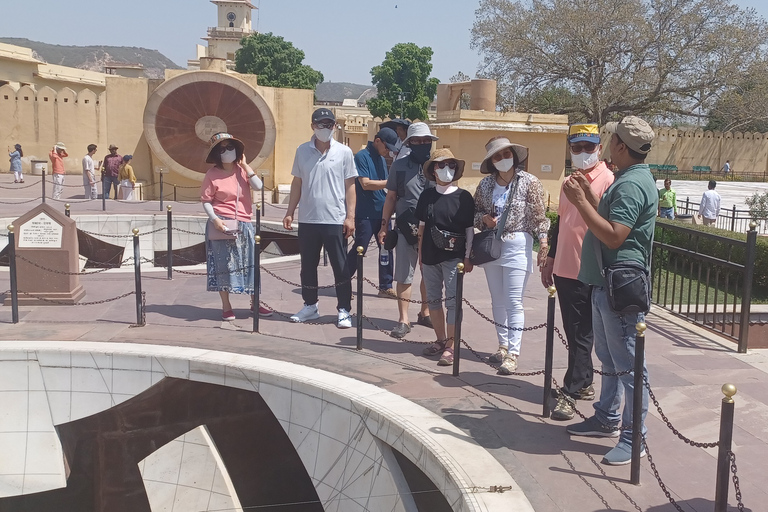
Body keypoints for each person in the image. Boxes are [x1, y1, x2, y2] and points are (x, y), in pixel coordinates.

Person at [563, 115, 657, 466]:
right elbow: (612, 218)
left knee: (629, 367)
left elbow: (615, 235)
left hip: (620, 287)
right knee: (612, 359)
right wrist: (588, 193)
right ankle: (607, 417)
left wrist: (581, 202)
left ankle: (634, 438)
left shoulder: (632, 184)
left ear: (620, 145)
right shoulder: (627, 179)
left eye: (611, 139)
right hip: (607, 283)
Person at [541, 124, 615, 420]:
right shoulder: (570, 180)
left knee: (583, 333)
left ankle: (572, 390)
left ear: (599, 148)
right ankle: (582, 382)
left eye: (588, 147)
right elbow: (562, 222)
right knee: (574, 332)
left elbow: (608, 222)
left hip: (589, 269)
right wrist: (551, 258)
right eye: (577, 148)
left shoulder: (606, 180)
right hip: (566, 267)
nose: (583, 153)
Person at [473, 137, 550, 374]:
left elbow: (539, 216)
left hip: (517, 243)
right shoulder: (485, 185)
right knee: (497, 300)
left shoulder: (529, 182)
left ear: (514, 157)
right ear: (491, 161)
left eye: (507, 154)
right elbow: (474, 213)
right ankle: (503, 345)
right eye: (498, 156)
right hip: (492, 245)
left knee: (514, 301)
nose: (504, 159)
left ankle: (514, 352)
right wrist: (483, 220)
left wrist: (544, 242)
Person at [283, 108, 357, 328]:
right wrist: (290, 211)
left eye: (329, 124)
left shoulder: (344, 152)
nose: (325, 128)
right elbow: (297, 183)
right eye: (320, 124)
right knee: (308, 266)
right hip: (308, 219)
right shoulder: (302, 151)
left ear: (335, 126)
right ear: (312, 126)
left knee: (340, 267)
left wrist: (350, 216)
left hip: (334, 218)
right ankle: (310, 306)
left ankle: (344, 309)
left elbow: (350, 186)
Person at [201, 132, 271, 320]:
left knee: (250, 264)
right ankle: (226, 306)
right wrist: (215, 219)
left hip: (244, 223)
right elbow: (206, 200)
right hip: (222, 223)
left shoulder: (241, 171)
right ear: (217, 153)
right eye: (222, 149)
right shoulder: (212, 174)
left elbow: (258, 186)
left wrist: (246, 165)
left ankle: (255, 302)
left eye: (230, 147)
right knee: (223, 266)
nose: (227, 152)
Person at [415, 149, 475, 366]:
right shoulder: (427, 196)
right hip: (430, 257)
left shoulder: (464, 197)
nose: (446, 169)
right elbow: (421, 228)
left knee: (453, 301)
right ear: (433, 170)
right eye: (440, 165)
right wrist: (421, 257)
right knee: (433, 300)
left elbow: (469, 230)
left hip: (454, 258)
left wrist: (468, 257)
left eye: (450, 165)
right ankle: (440, 339)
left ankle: (451, 345)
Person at [377, 122, 436, 338]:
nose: (422, 144)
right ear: (409, 143)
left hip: (432, 229)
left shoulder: (438, 164)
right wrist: (384, 225)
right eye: (417, 141)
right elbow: (391, 197)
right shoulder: (399, 166)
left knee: (429, 273)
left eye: (425, 141)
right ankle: (403, 319)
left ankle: (425, 311)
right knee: (405, 273)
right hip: (406, 226)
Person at [346, 127, 399, 298]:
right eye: (386, 147)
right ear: (377, 141)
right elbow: (365, 184)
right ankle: (343, 282)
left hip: (382, 213)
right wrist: (391, 182)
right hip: (366, 213)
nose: (388, 151)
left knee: (386, 248)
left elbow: (383, 186)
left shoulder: (382, 160)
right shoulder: (362, 157)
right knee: (360, 248)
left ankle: (385, 285)